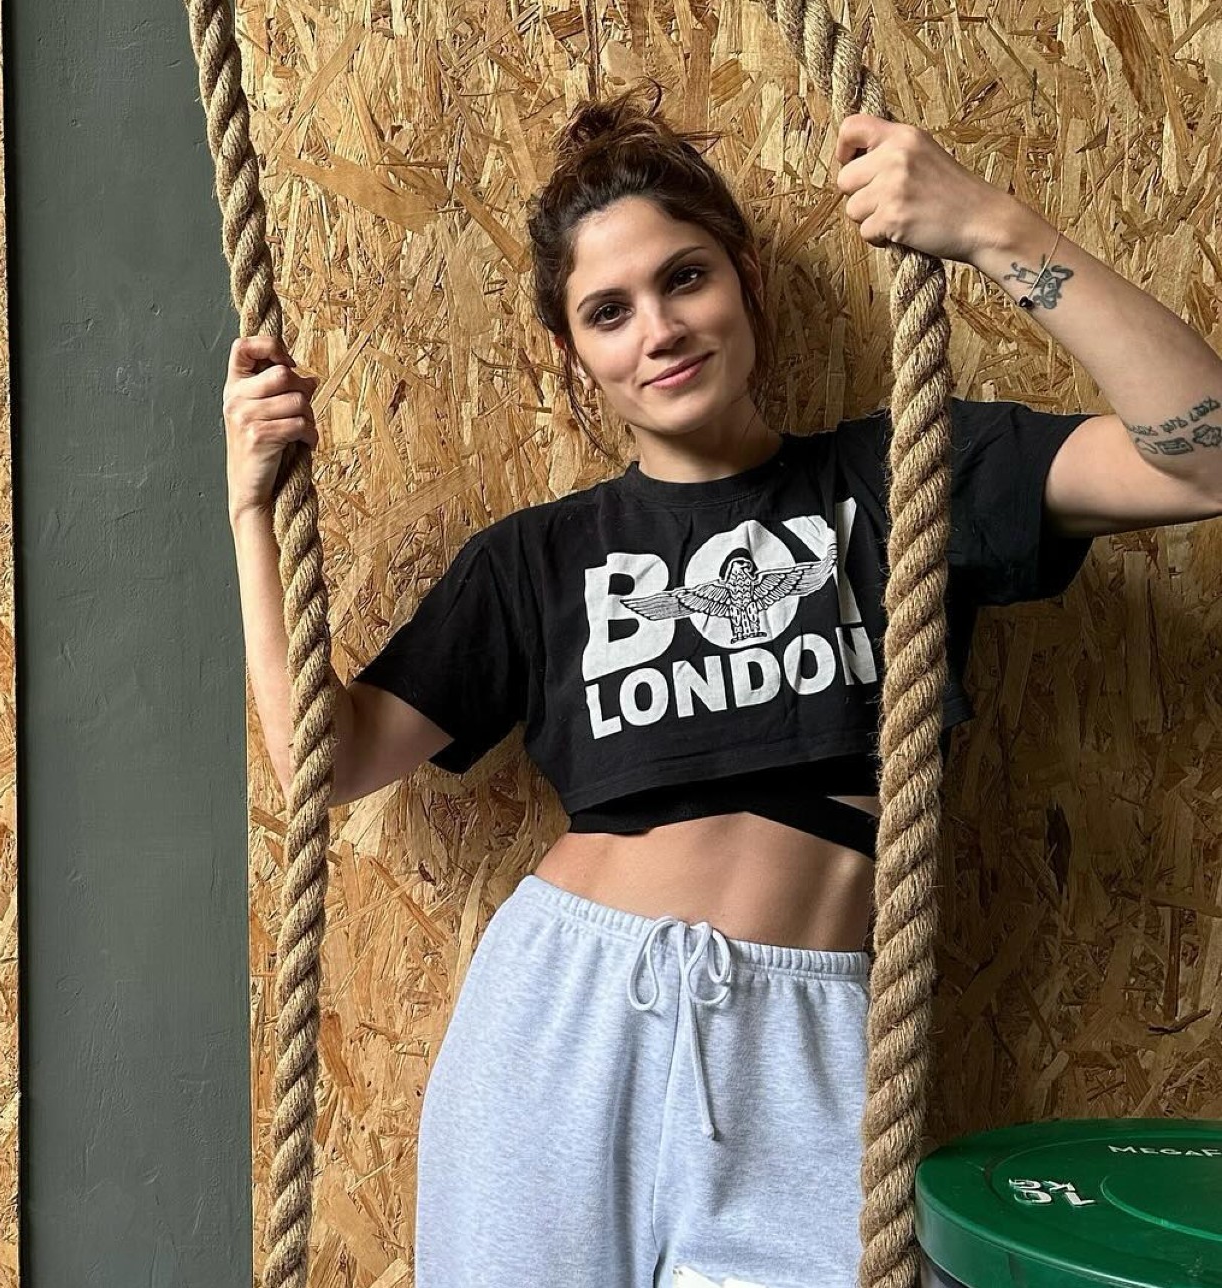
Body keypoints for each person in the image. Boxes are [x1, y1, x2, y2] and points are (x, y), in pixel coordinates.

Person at [221, 83, 1140, 1288]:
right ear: (575, 356)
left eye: (684, 279)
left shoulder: (905, 475)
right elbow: (325, 762)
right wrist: (249, 508)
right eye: (608, 312)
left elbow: (1201, 451)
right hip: (560, 1020)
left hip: (802, 1044)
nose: (657, 329)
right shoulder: (536, 558)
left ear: (745, 283)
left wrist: (992, 229)